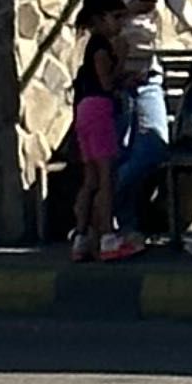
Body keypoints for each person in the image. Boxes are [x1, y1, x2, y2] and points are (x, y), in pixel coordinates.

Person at [104, 0, 192, 244]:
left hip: (149, 72)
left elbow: (188, 16)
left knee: (153, 146)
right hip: (118, 74)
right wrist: (126, 10)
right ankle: (127, 225)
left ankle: (115, 197)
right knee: (120, 149)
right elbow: (92, 21)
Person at [68, 30, 126, 261]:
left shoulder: (86, 57)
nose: (121, 24)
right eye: (117, 17)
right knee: (105, 178)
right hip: (100, 111)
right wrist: (121, 58)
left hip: (84, 112)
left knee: (90, 179)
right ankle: (107, 238)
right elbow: (107, 83)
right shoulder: (101, 47)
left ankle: (81, 237)